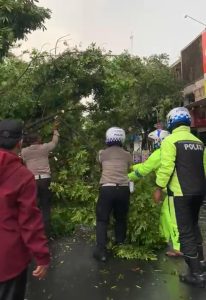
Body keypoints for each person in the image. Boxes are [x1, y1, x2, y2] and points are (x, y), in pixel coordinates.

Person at [154, 107, 206, 288]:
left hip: (181, 193)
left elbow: (167, 167)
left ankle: (196, 275)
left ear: (171, 122)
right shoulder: (198, 142)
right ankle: (200, 265)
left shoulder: (170, 141)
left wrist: (159, 186)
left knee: (185, 232)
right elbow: (204, 167)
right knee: (194, 227)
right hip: (200, 192)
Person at [0, 119, 50, 300]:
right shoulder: (22, 176)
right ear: (20, 142)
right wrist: (42, 256)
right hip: (9, 261)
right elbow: (29, 221)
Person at [128, 129, 181, 256]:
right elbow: (147, 165)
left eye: (153, 141)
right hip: (186, 189)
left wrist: (127, 177)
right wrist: (133, 167)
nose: (152, 145)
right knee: (166, 213)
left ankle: (178, 247)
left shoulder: (160, 153)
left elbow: (144, 170)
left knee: (172, 218)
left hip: (173, 191)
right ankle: (164, 238)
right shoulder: (175, 149)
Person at [93, 127, 133, 262]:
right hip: (123, 189)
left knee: (102, 219)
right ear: (122, 139)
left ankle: (101, 251)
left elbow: (99, 165)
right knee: (121, 218)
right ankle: (120, 245)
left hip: (107, 189)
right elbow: (129, 168)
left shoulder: (102, 153)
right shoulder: (127, 154)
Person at [21, 123, 59, 236]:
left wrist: (22, 138)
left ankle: (33, 233)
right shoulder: (44, 147)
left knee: (32, 206)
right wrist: (55, 130)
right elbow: (54, 142)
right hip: (45, 180)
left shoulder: (24, 151)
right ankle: (46, 234)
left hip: (31, 180)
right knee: (45, 206)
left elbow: (19, 151)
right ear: (38, 139)